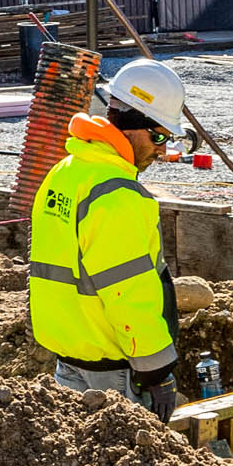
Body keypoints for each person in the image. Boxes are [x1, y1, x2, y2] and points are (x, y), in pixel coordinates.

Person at [29, 57, 187, 420]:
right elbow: (127, 292)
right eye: (158, 136)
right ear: (131, 126)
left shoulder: (66, 172)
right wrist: (156, 369)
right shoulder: (116, 195)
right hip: (113, 373)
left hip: (69, 360)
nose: (162, 150)